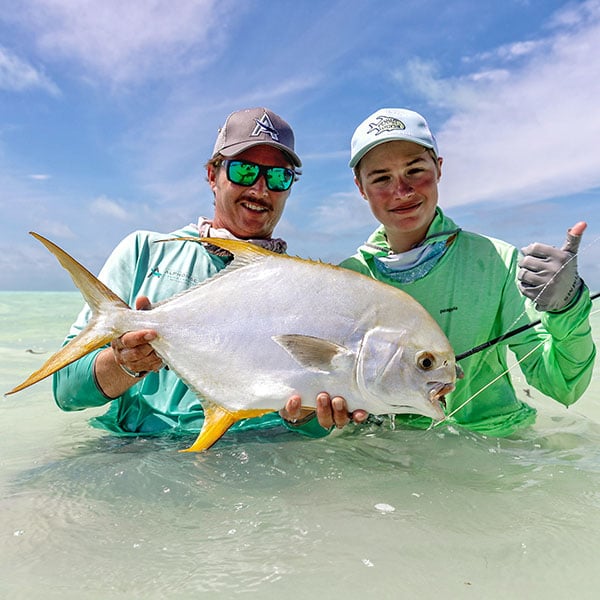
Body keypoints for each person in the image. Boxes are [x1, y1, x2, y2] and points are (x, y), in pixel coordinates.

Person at [53, 107, 332, 441]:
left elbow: (313, 425)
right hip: (143, 450)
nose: (260, 190)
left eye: (277, 177)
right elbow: (66, 390)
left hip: (260, 454)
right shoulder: (146, 251)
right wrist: (126, 363)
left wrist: (306, 417)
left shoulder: (304, 286)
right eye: (244, 171)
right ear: (213, 175)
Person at [314, 107, 595, 436]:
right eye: (381, 178)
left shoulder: (496, 261)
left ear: (438, 168)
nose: (401, 191)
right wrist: (308, 419)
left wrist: (568, 308)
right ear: (361, 188)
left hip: (494, 447)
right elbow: (322, 395)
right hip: (389, 455)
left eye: (415, 170)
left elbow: (563, 387)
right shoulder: (347, 279)